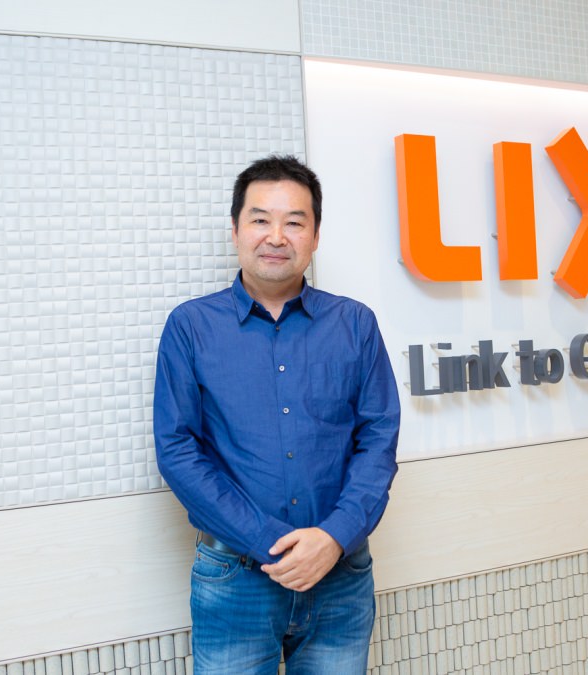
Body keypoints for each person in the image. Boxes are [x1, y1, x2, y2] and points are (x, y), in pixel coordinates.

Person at [153, 155, 401, 674]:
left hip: (341, 577)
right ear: (235, 230)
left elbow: (378, 439)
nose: (276, 236)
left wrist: (333, 537)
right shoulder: (191, 327)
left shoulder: (355, 324)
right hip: (236, 578)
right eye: (260, 219)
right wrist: (270, 541)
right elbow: (178, 450)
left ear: (315, 236)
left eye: (294, 222)